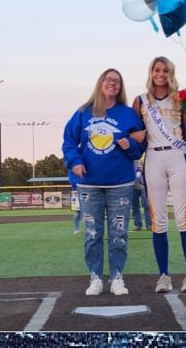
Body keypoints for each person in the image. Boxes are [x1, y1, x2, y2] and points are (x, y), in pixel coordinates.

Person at [62, 68, 145, 297]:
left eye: (117, 81)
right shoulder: (83, 112)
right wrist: (75, 161)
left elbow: (140, 146)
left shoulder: (129, 114)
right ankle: (96, 278)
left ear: (121, 87)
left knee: (119, 234)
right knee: (92, 234)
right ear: (100, 83)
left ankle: (117, 277)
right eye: (108, 80)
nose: (112, 84)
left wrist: (132, 145)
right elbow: (68, 141)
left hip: (120, 183)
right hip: (89, 183)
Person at [131, 56, 186, 294]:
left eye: (165, 70)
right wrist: (132, 137)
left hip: (177, 156)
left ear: (171, 73)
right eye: (157, 69)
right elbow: (134, 131)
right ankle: (163, 275)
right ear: (151, 72)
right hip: (153, 158)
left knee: (184, 218)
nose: (161, 74)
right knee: (159, 221)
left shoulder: (180, 99)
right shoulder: (140, 100)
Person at [131, 158, 151, 230]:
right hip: (133, 185)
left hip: (144, 185)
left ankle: (149, 225)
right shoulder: (132, 157)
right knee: (135, 206)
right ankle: (138, 225)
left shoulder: (146, 156)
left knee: (147, 206)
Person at [68, 167, 82, 234]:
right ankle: (76, 228)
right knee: (77, 212)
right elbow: (72, 180)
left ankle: (90, 228)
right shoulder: (72, 168)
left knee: (90, 211)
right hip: (75, 191)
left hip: (88, 189)